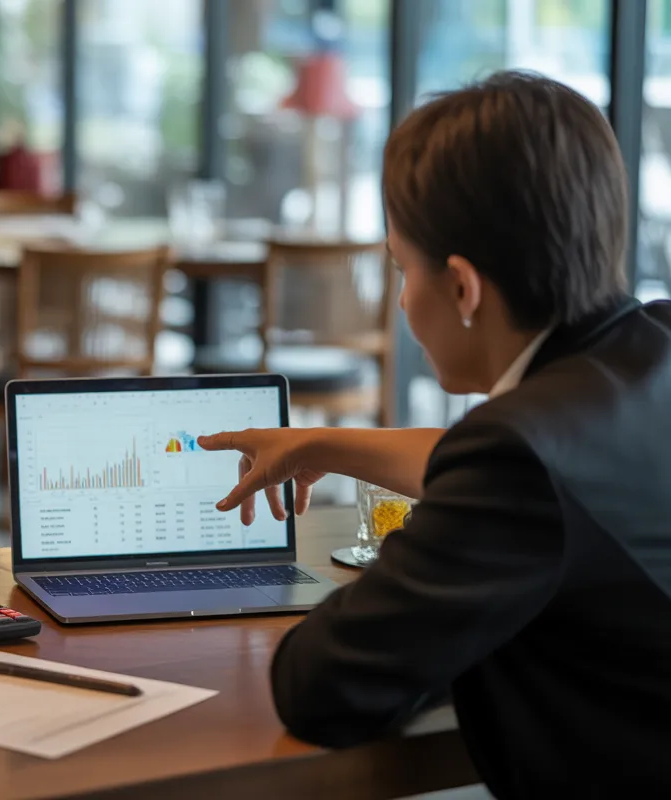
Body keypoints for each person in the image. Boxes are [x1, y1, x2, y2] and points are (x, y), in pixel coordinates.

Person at [199, 72, 671, 797]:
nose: (400, 300)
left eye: (400, 268)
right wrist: (319, 445)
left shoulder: (516, 460)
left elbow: (320, 685)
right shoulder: (653, 346)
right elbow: (548, 476)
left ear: (462, 288)